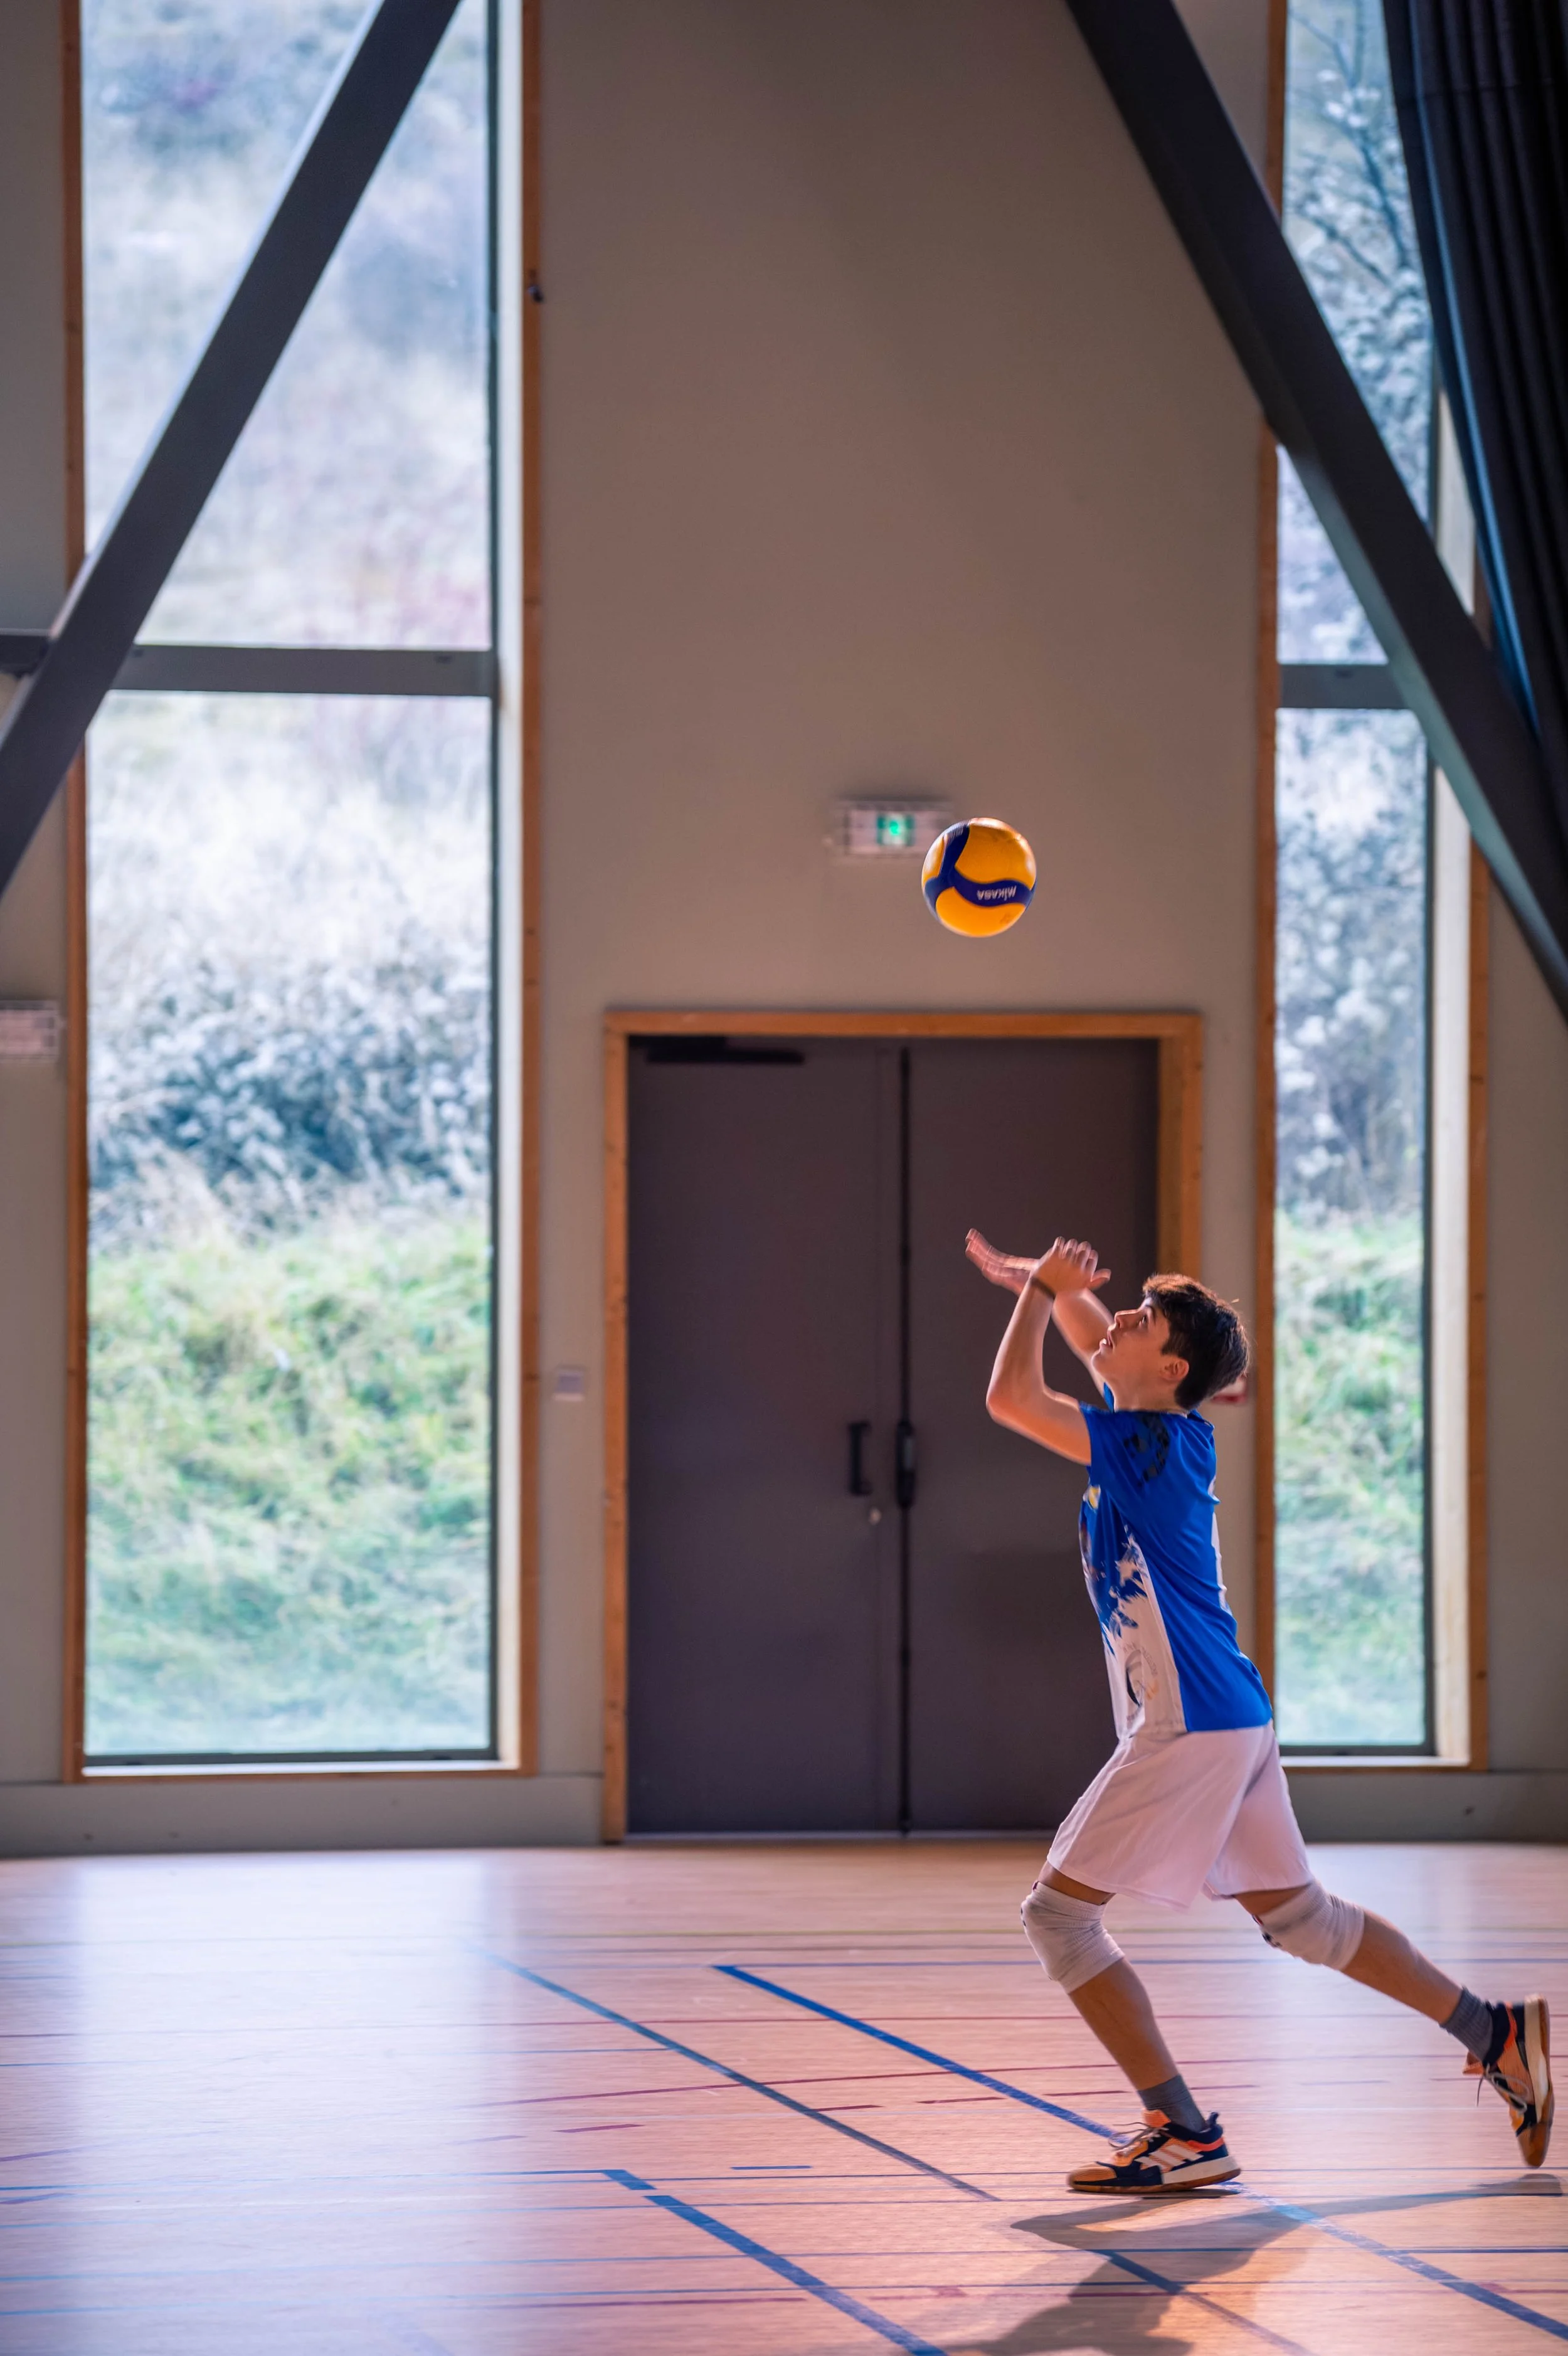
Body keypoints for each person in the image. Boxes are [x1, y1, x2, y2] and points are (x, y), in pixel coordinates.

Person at [967, 1229, 1552, 2194]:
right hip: (1228, 1715)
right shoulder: (1156, 1424)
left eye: (1139, 1319)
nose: (1111, 1322)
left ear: (1172, 1365)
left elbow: (1011, 1400)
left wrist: (1036, 1297)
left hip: (1193, 1723)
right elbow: (1089, 1341)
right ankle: (1497, 2034)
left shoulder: (1148, 1446)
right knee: (1308, 1924)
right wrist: (1051, 1289)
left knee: (1058, 1919)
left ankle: (1182, 2129)